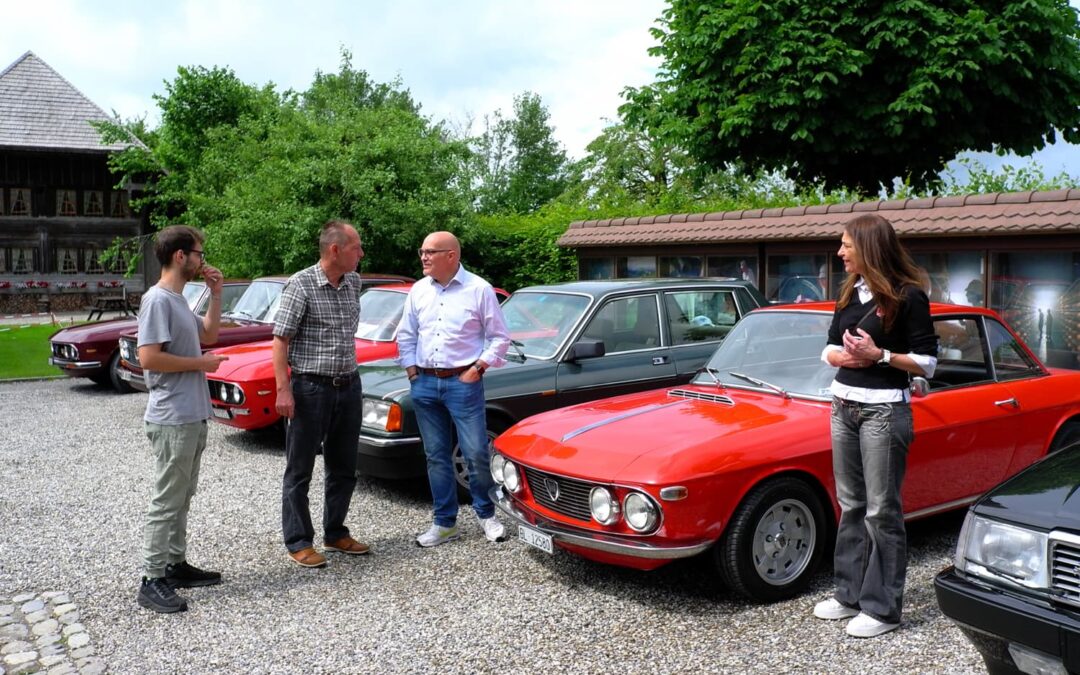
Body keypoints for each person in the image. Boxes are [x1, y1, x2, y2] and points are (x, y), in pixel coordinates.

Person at [812, 214, 938, 638]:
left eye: (847, 245)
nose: (840, 252)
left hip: (884, 411)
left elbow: (928, 363)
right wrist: (848, 358)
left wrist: (880, 355)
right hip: (843, 405)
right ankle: (849, 596)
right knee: (851, 504)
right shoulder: (850, 291)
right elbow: (828, 349)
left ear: (869, 247)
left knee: (883, 510)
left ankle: (883, 610)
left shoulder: (909, 296)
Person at [397, 231, 511, 547]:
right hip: (425, 382)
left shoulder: (479, 289)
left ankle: (487, 514)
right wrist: (412, 373)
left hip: (464, 382)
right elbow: (406, 336)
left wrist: (478, 369)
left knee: (475, 452)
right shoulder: (418, 291)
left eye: (430, 251)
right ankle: (444, 523)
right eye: (421, 251)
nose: (423, 257)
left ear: (451, 255)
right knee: (436, 456)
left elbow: (500, 337)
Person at [136, 225, 227, 614]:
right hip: (172, 418)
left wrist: (217, 294)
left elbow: (208, 335)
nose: (201, 260)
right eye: (199, 254)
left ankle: (175, 565)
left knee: (181, 498)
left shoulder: (179, 300)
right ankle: (152, 578)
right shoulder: (157, 300)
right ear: (180, 256)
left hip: (190, 416)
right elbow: (148, 358)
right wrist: (200, 365)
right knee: (166, 501)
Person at [273, 219, 369, 568]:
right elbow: (280, 339)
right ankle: (298, 540)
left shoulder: (354, 282)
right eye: (356, 247)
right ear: (335, 249)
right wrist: (284, 390)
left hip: (348, 384)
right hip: (311, 388)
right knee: (300, 469)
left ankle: (335, 533)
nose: (361, 253)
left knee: (344, 466)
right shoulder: (300, 285)